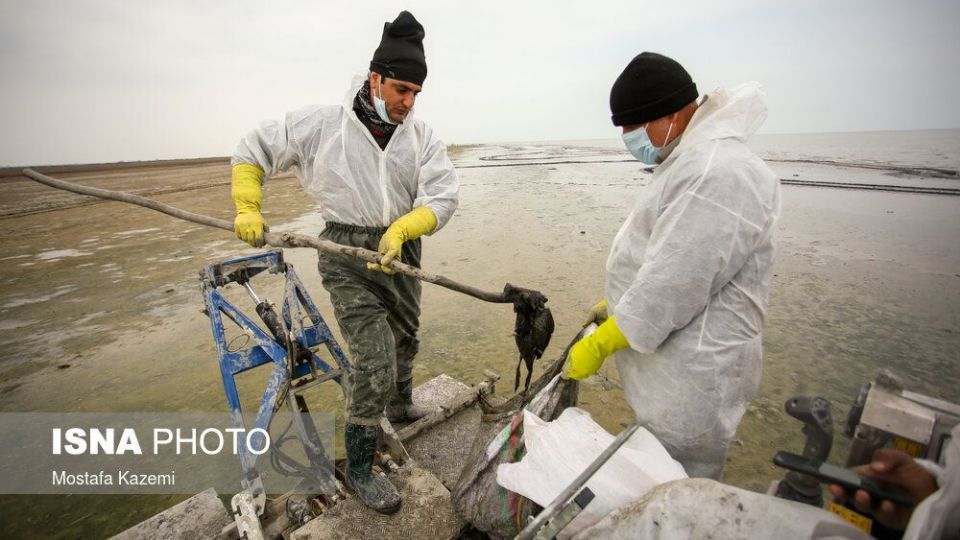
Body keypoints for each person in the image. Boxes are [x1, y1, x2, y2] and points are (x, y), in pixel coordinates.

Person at [230, 11, 459, 514]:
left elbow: (443, 196)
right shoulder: (322, 125)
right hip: (345, 253)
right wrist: (248, 202)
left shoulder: (420, 137)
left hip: (401, 251)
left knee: (406, 335)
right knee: (373, 357)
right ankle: (358, 468)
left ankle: (399, 407)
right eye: (401, 89)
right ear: (375, 78)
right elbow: (255, 147)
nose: (408, 102)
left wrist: (407, 227)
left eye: (416, 93)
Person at [562, 52, 781, 479]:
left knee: (682, 478)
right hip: (675, 361)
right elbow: (666, 252)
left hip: (696, 374)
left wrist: (602, 341)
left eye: (632, 127)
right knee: (663, 467)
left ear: (671, 115)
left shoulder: (717, 172)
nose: (629, 138)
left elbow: (673, 286)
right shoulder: (689, 161)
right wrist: (615, 303)